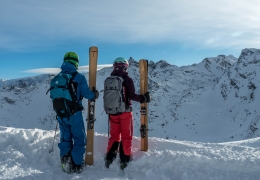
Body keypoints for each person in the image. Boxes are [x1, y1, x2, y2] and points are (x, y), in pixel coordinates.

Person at [105, 57, 151, 169]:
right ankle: (125, 159)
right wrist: (143, 98)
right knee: (126, 136)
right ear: (125, 67)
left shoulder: (110, 79)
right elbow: (132, 96)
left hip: (112, 113)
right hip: (125, 113)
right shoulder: (127, 79)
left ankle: (109, 158)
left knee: (114, 135)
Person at [57, 52, 99, 173]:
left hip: (61, 114)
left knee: (65, 138)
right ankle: (77, 164)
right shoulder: (78, 77)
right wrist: (95, 94)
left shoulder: (58, 77)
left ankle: (65, 162)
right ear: (76, 62)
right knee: (79, 139)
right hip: (74, 115)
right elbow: (87, 94)